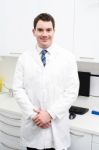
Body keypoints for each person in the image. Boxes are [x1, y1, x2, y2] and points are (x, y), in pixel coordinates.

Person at [13, 13, 79, 150]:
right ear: (34, 31)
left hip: (57, 129)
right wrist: (34, 116)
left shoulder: (67, 57)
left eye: (48, 30)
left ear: (54, 31)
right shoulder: (24, 58)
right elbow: (18, 89)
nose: (44, 34)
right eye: (40, 30)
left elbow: (72, 91)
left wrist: (49, 114)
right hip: (33, 128)